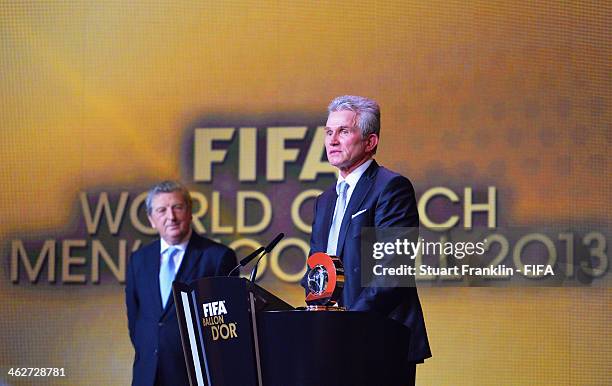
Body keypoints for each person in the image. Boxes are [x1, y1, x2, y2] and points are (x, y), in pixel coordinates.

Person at [304, 95, 431, 384]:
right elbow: (317, 268)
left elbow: (392, 273)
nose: (332, 140)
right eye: (328, 132)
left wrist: (348, 323)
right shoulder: (325, 200)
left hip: (380, 338)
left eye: (344, 131)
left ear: (370, 142)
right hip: (330, 343)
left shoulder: (391, 188)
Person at [125, 180, 237, 386]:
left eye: (177, 207)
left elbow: (228, 324)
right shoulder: (138, 259)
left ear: (190, 212)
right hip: (147, 374)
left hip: (196, 375)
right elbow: (136, 318)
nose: (171, 217)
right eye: (161, 210)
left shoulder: (218, 257)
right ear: (151, 219)